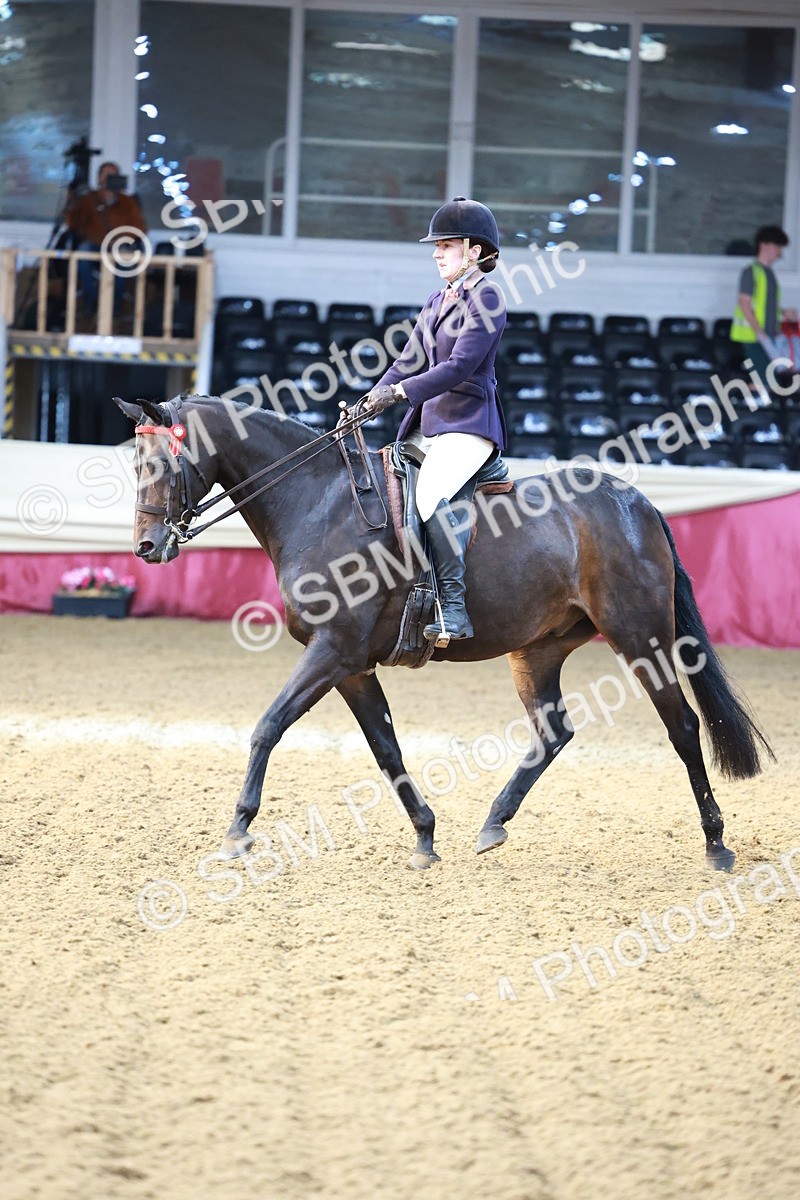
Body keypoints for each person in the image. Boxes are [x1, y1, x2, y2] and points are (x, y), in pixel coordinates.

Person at [364, 197, 507, 643]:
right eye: (437, 246)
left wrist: (398, 393)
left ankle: (453, 609)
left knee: (428, 496)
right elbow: (407, 361)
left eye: (445, 245)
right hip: (430, 424)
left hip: (468, 424)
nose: (436, 254)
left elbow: (459, 366)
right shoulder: (437, 299)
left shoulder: (487, 298)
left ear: (474, 251)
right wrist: (369, 400)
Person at [65, 161, 147, 312]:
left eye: (113, 175)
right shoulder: (89, 199)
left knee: (123, 257)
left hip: (120, 245)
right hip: (95, 244)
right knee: (83, 250)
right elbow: (74, 223)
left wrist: (123, 239)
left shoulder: (128, 202)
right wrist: (73, 201)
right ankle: (91, 299)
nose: (109, 178)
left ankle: (115, 304)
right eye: (106, 175)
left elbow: (140, 227)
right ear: (99, 179)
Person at [730, 224, 798, 391]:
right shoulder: (751, 272)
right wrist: (759, 331)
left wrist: (783, 312)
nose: (779, 252)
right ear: (763, 245)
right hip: (754, 336)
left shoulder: (769, 274)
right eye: (777, 246)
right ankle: (738, 399)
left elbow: (766, 305)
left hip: (767, 337)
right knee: (765, 382)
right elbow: (744, 303)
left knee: (769, 380)